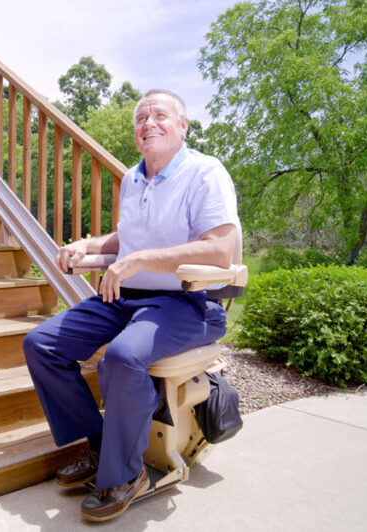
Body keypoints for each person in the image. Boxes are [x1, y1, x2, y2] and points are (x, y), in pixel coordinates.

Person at [22, 88, 241, 522]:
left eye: (160, 115)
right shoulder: (133, 178)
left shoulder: (204, 173)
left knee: (123, 357)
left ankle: (124, 475)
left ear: (183, 126)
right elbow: (128, 240)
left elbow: (220, 250)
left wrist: (137, 261)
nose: (148, 123)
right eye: (141, 118)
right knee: (41, 344)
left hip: (190, 302)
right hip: (127, 299)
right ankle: (103, 447)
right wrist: (87, 245)